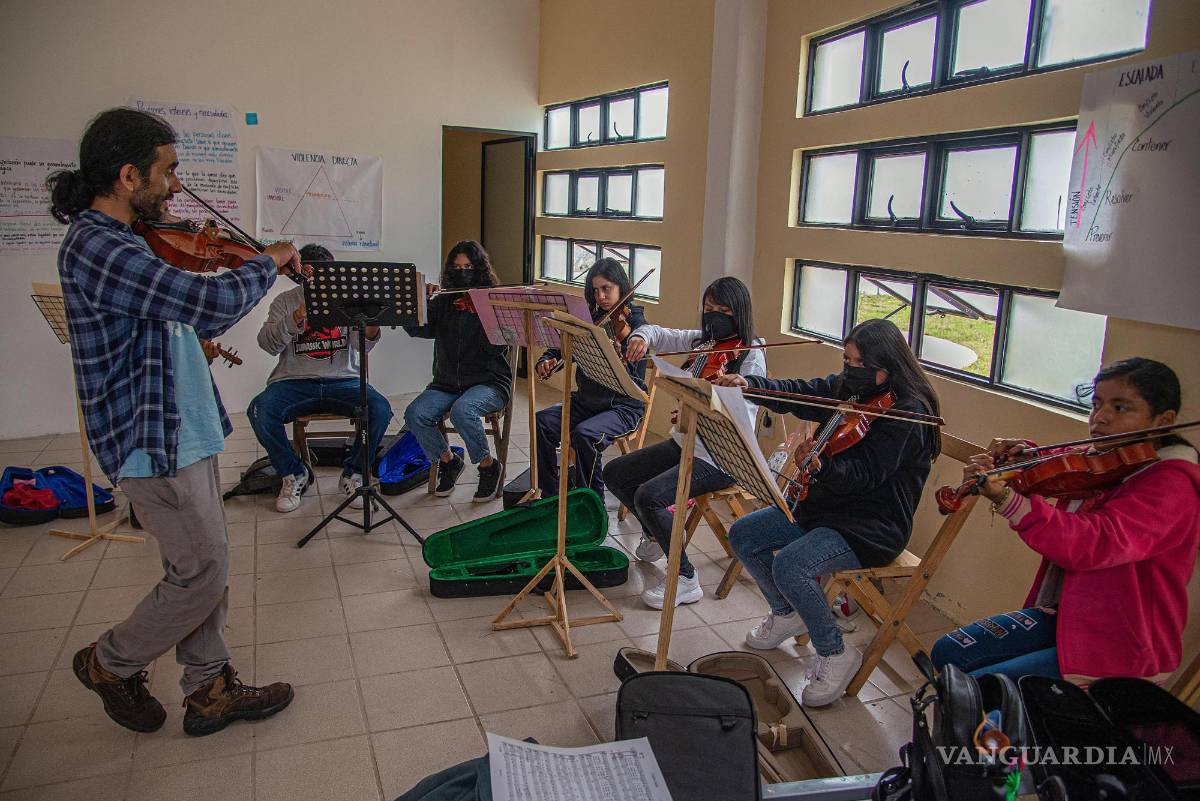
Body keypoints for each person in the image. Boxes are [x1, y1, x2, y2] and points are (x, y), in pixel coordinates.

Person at [48, 107, 298, 736]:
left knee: (200, 562)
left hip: (184, 422)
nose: (176, 185)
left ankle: (209, 686)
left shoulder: (134, 238)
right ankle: (110, 662)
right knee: (203, 568)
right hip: (149, 438)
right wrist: (266, 262)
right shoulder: (97, 244)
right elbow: (207, 301)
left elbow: (193, 320)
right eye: (169, 170)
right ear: (130, 175)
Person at [715, 318, 941, 706]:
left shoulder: (909, 414)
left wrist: (823, 466)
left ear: (884, 368)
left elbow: (866, 475)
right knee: (744, 535)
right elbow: (805, 393)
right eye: (846, 360)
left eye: (855, 363)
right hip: (827, 508)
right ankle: (787, 613)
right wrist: (751, 386)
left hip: (870, 526)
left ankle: (835, 651)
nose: (847, 369)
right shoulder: (857, 388)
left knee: (790, 564)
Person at [931, 358, 1199, 684]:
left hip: (1122, 642)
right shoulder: (1111, 459)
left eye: (1120, 408)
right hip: (1071, 614)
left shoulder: (1172, 485)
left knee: (984, 687)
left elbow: (1093, 543)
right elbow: (1066, 473)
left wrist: (1007, 500)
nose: (1100, 418)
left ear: (1163, 419)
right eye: (1097, 404)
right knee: (948, 652)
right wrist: (1026, 459)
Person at [605, 276, 764, 609]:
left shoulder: (751, 354)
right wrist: (638, 335)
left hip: (721, 458)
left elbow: (744, 414)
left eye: (723, 311)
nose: (714, 317)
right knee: (616, 473)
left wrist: (711, 399)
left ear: (740, 313)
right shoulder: (701, 343)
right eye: (708, 309)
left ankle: (685, 578)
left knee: (648, 496)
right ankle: (653, 533)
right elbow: (658, 333)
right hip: (684, 444)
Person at [247, 244, 393, 513]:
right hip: (294, 382)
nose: (317, 279)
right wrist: (295, 318)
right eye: (310, 273)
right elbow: (268, 345)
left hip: (343, 380)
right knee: (260, 409)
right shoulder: (285, 301)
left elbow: (362, 346)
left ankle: (354, 474)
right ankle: (294, 473)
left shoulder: (348, 298)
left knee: (380, 409)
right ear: (300, 274)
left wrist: (372, 323)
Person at [402, 241, 510, 501]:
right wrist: (420, 301)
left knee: (464, 410)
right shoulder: (443, 302)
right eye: (457, 267)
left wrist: (484, 315)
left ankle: (488, 466)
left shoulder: (493, 303)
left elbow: (498, 350)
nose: (463, 272)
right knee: (415, 414)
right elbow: (419, 330)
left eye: (469, 267)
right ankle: (448, 461)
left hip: (489, 382)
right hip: (446, 383)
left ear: (480, 269)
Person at [534, 258, 647, 501]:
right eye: (595, 290)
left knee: (586, 435)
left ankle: (591, 502)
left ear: (622, 288)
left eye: (607, 288)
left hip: (622, 407)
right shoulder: (589, 319)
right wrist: (546, 359)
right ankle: (551, 494)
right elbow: (558, 347)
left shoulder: (636, 323)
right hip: (587, 402)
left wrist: (625, 347)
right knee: (542, 422)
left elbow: (636, 369)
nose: (601, 296)